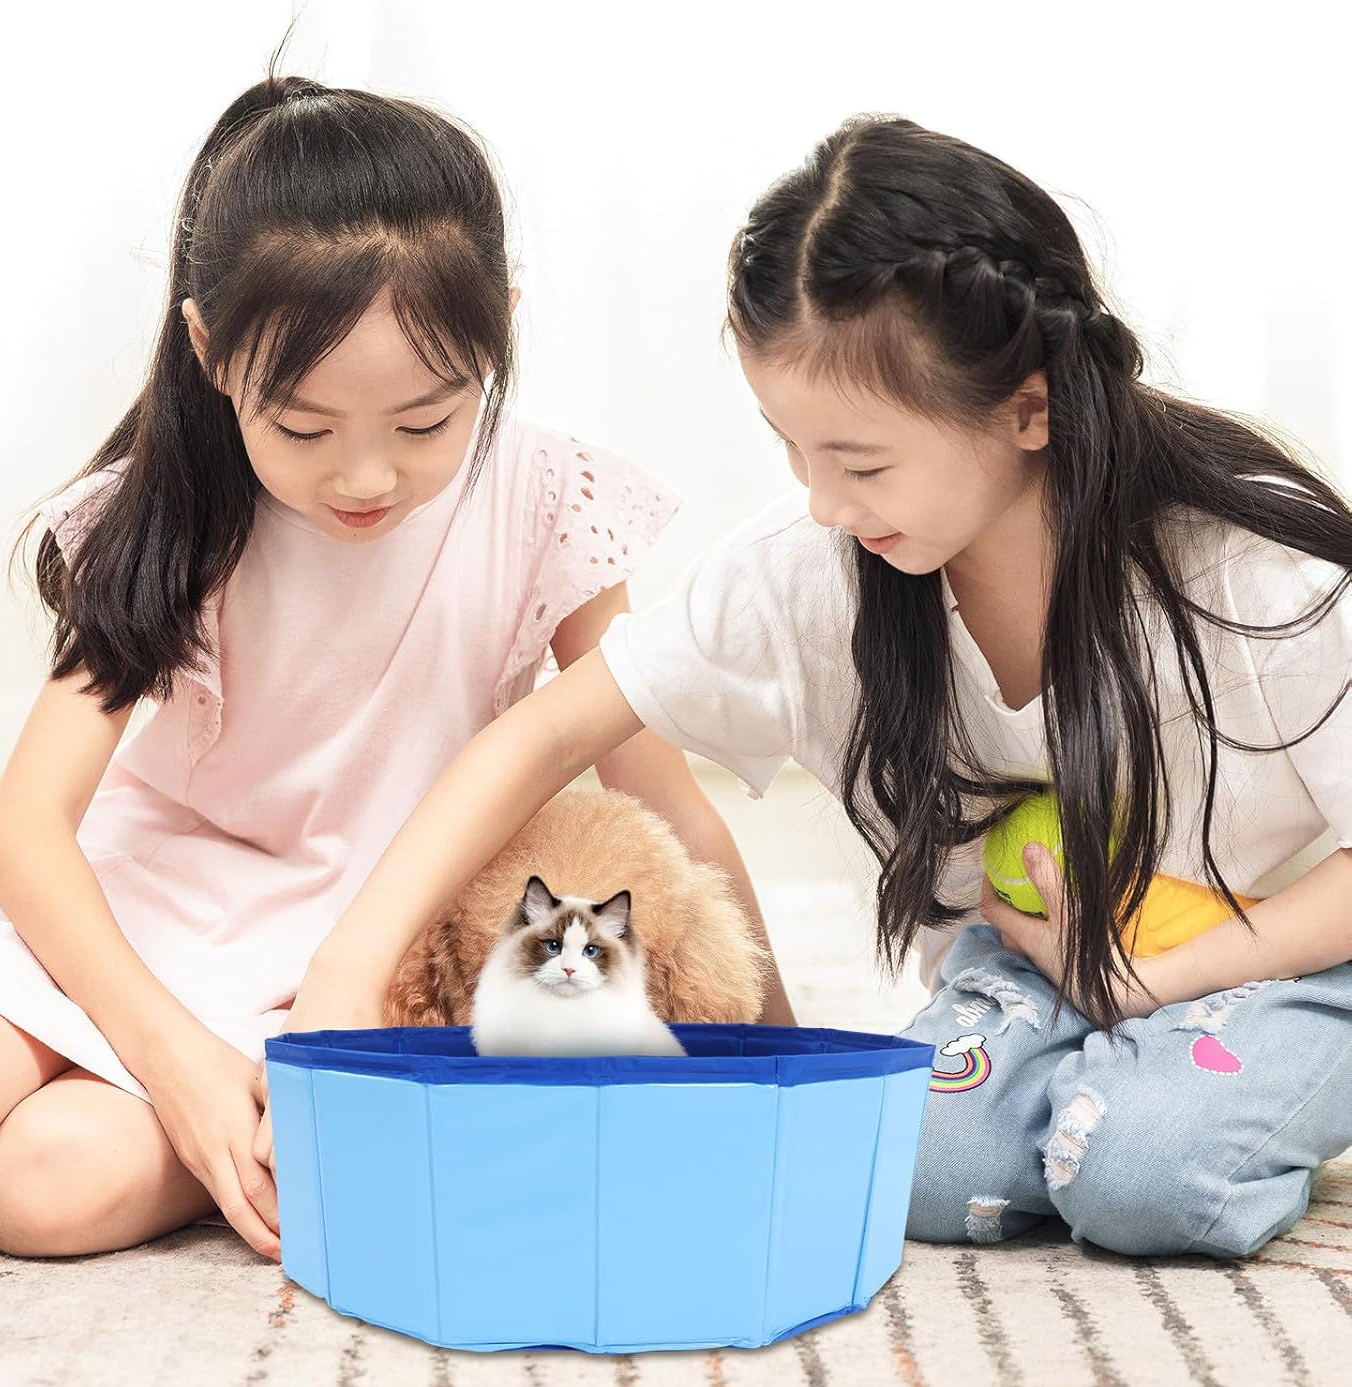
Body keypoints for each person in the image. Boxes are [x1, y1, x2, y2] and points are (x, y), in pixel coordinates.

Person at [281, 115, 1352, 1259]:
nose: (825, 501)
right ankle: (1100, 1086)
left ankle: (1179, 1091)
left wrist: (1170, 978)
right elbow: (545, 735)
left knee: (1146, 1179)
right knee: (920, 1176)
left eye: (862, 461)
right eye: (792, 449)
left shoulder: (1255, 575)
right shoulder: (810, 570)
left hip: (1275, 949)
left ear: (1029, 406)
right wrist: (345, 972)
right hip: (1034, 959)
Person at [0, 71, 790, 1264]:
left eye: (424, 424)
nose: (364, 477)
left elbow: (660, 793)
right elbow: (26, 829)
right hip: (146, 918)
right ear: (209, 348)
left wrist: (779, 1049)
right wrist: (176, 1063)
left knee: (49, 1194)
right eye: (302, 427)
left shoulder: (551, 500)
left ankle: (44, 1105)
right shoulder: (171, 507)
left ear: (497, 328)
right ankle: (5, 1053)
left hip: (367, 955)